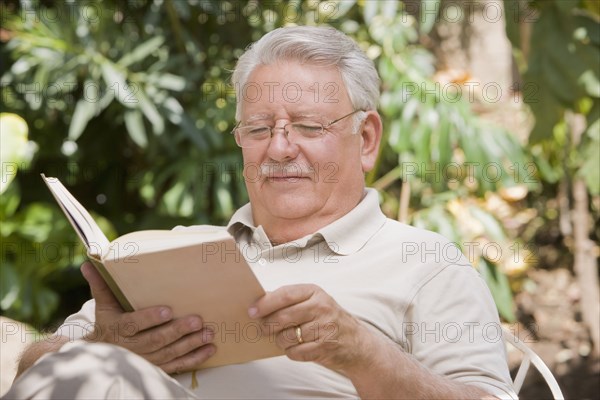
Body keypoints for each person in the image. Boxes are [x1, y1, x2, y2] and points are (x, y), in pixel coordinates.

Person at [6, 26, 517, 399]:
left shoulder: (424, 262)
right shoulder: (174, 249)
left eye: (308, 127)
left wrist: (364, 353)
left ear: (365, 139)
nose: (279, 149)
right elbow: (33, 371)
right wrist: (102, 342)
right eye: (258, 128)